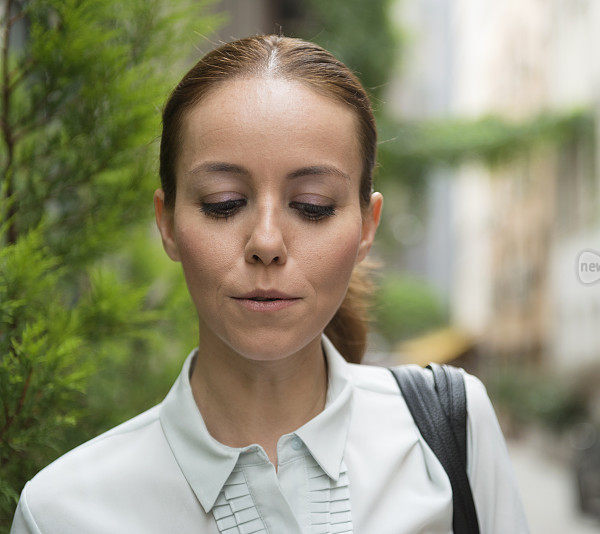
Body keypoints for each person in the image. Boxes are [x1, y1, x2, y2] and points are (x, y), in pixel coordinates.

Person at [10, 35, 528, 533]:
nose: (266, 241)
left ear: (367, 227)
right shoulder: (63, 511)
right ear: (167, 223)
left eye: (312, 206)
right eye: (223, 203)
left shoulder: (449, 429)